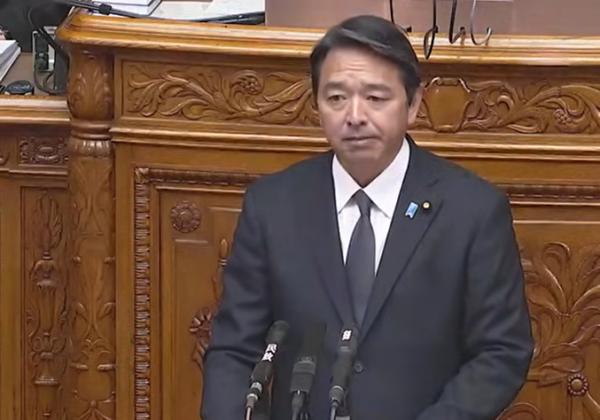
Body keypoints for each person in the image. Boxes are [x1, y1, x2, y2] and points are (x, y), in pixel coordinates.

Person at [201, 14, 534, 420]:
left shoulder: (472, 210)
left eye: (376, 98)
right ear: (316, 105)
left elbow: (501, 351)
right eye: (336, 98)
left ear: (413, 104)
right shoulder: (273, 205)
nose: (354, 116)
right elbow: (235, 351)